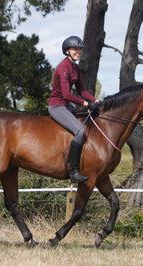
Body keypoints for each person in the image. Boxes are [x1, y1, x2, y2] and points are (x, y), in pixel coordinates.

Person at [48, 36, 100, 183]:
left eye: (79, 49)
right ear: (67, 51)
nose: (78, 51)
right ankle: (74, 172)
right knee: (80, 131)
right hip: (57, 106)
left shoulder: (75, 68)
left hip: (66, 105)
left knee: (89, 119)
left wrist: (95, 101)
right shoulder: (64, 68)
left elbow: (82, 90)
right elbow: (66, 94)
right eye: (75, 49)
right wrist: (85, 104)